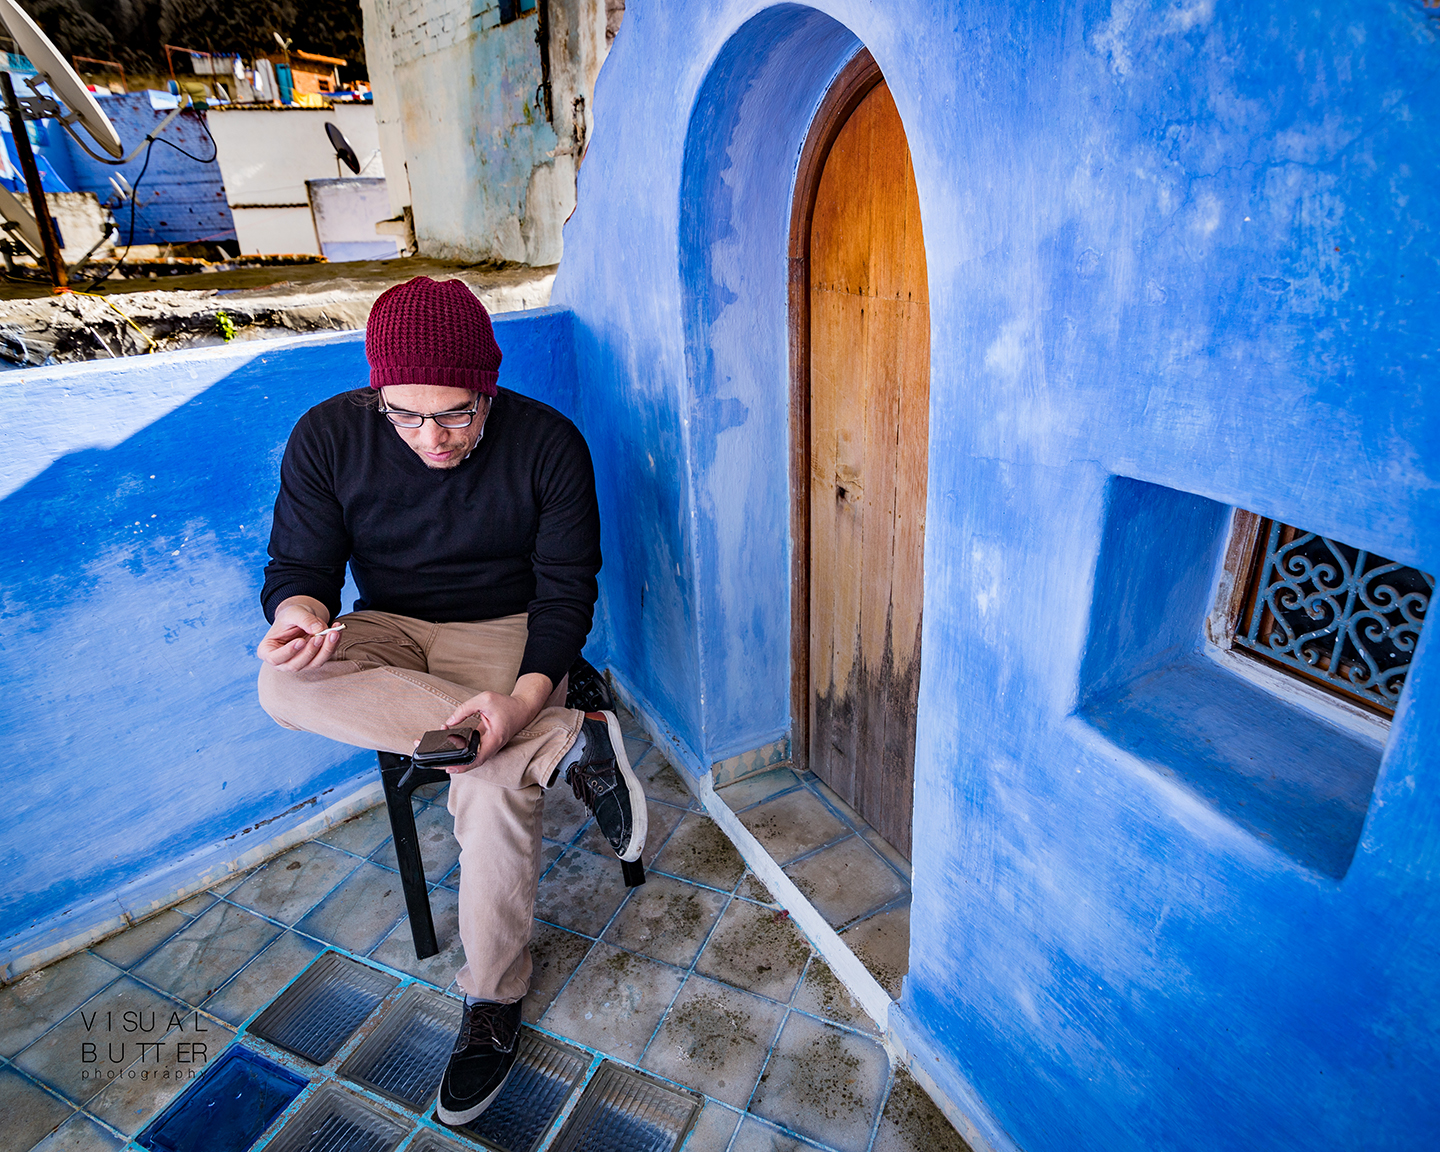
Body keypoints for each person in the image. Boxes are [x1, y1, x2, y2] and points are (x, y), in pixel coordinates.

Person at [254, 276, 646, 1127]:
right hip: (389, 627)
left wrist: (524, 691)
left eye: (457, 414)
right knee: (280, 681)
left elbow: (564, 598)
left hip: (504, 631)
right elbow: (301, 571)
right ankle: (563, 742)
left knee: (492, 782)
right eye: (405, 414)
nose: (430, 437)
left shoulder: (549, 445)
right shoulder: (328, 437)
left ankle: (491, 1002)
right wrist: (299, 619)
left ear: (489, 388)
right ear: (376, 392)